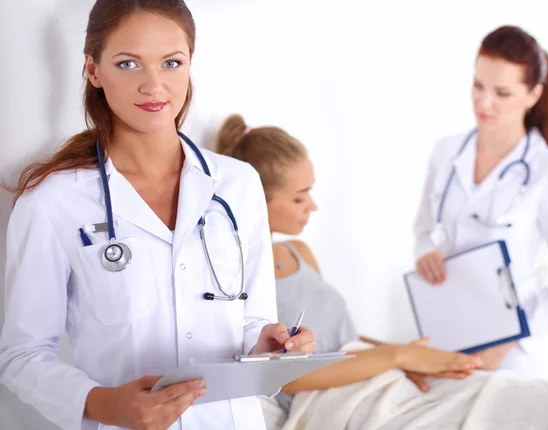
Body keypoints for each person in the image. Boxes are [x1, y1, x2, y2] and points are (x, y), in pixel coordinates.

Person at [0, 2, 314, 430]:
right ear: (93, 70)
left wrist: (273, 346)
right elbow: (22, 355)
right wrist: (102, 404)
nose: (154, 85)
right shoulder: (53, 202)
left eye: (171, 62)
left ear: (189, 65)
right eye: (128, 63)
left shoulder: (238, 185)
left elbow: (251, 322)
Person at [215, 114, 484, 414]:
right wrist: (396, 356)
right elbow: (280, 378)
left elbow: (341, 339)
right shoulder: (233, 277)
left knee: (486, 389)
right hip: (327, 402)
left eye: (310, 191)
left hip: (368, 376)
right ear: (258, 201)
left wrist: (401, 355)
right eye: (299, 197)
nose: (313, 205)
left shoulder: (299, 253)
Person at [413, 25, 548, 379]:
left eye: (502, 92)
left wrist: (507, 341)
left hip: (513, 358)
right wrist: (425, 252)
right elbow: (422, 228)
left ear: (533, 95)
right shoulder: (446, 152)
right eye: (478, 86)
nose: (483, 103)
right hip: (447, 338)